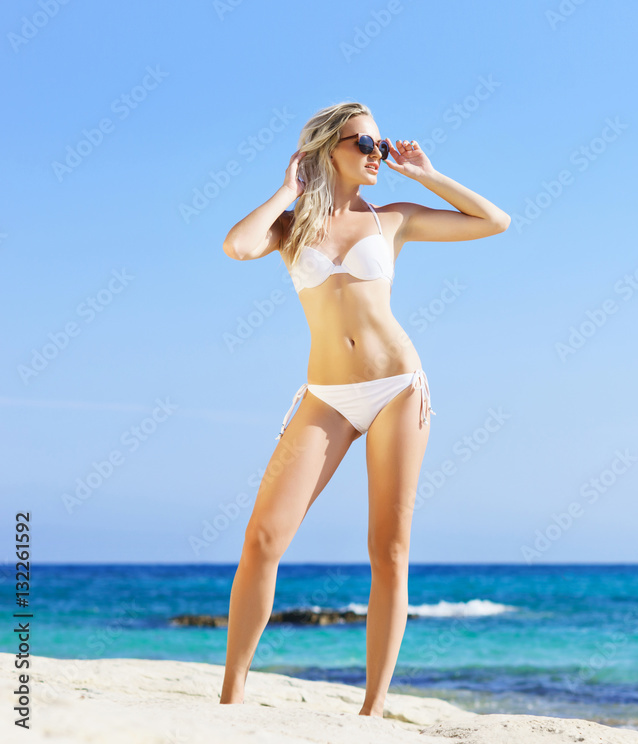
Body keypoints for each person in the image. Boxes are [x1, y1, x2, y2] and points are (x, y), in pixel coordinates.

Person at [218, 101, 510, 716]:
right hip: (325, 395)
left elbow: (494, 221)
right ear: (328, 149)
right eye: (365, 144)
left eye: (381, 145)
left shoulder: (394, 220)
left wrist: (426, 174)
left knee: (390, 549)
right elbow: (236, 247)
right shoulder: (290, 227)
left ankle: (372, 711)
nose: (378, 154)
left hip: (398, 387)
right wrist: (284, 189)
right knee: (263, 537)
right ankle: (230, 698)